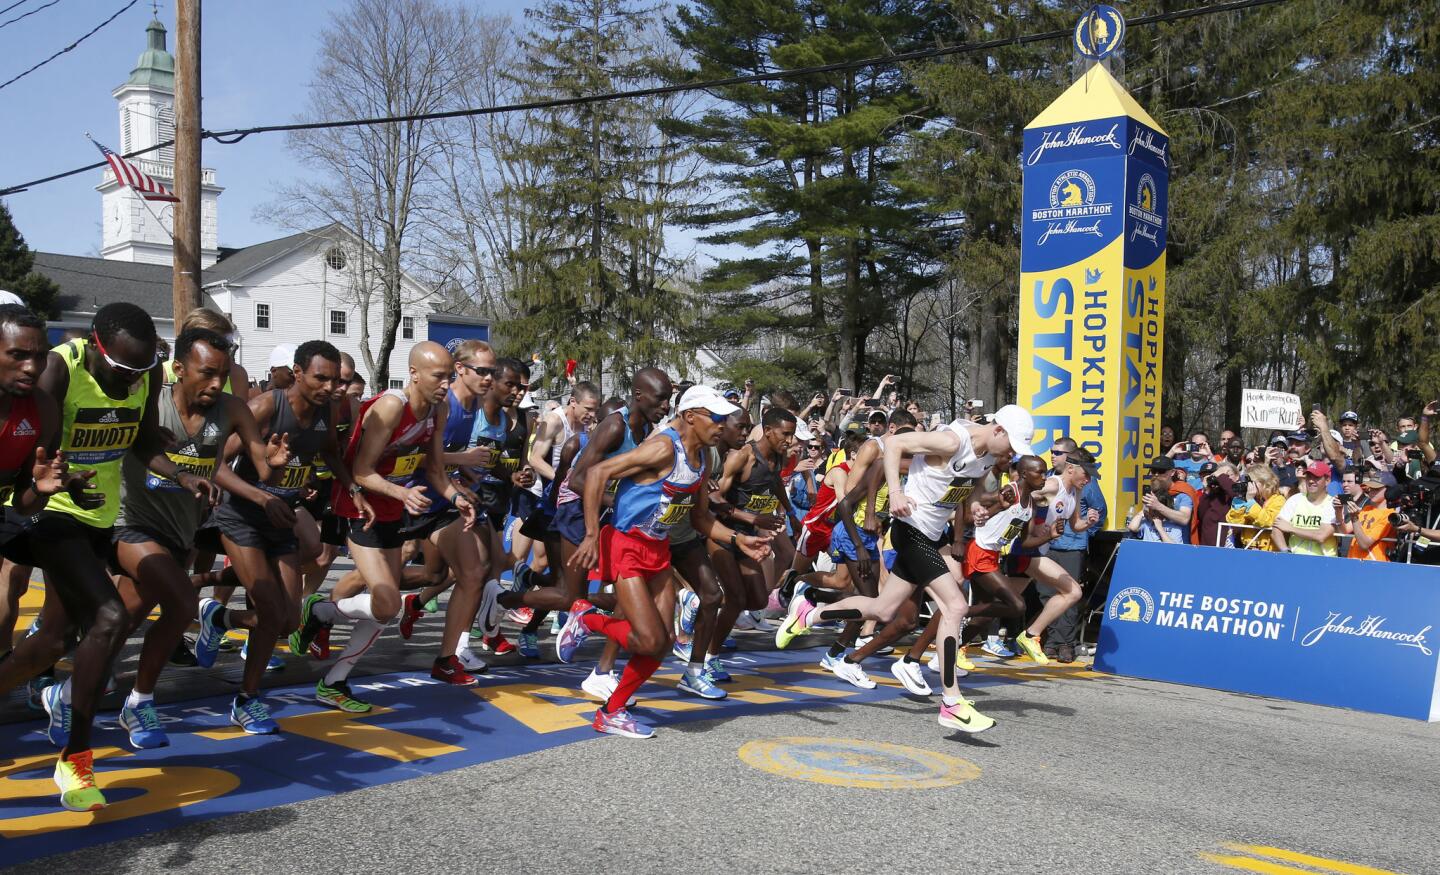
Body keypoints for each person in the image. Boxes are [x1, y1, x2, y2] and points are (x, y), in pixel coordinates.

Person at [25, 303, 215, 811]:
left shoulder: (146, 370)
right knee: (108, 618)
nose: (130, 379)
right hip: (53, 513)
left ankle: (54, 695)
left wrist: (180, 473)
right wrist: (61, 483)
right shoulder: (59, 369)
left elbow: (142, 440)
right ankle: (77, 758)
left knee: (52, 641)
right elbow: (34, 462)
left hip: (105, 516)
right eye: (122, 369)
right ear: (95, 344)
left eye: (141, 369)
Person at [777, 405, 1040, 733]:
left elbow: (966, 490)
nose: (1013, 453)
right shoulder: (951, 440)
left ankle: (809, 613)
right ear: (998, 430)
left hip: (930, 534)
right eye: (1012, 443)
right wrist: (897, 491)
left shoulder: (987, 455)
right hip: (911, 530)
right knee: (955, 605)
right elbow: (894, 446)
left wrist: (976, 506)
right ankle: (951, 702)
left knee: (883, 608)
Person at [558, 386, 771, 738]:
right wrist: (593, 535)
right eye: (715, 418)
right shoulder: (662, 446)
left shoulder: (702, 458)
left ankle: (612, 712)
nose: (722, 424)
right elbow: (595, 475)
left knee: (662, 644)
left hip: (658, 550)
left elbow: (701, 519)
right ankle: (588, 618)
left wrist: (739, 540)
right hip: (626, 545)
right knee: (649, 638)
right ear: (690, 417)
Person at [110, 327, 285, 749]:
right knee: (181, 603)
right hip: (129, 520)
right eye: (206, 373)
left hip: (178, 532)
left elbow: (263, 468)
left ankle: (68, 690)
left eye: (222, 375)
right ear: (178, 369)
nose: (214, 384)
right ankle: (138, 702)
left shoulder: (232, 409)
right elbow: (139, 449)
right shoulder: (152, 402)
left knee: (118, 622)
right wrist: (182, 474)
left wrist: (275, 465)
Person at [291, 342, 479, 712]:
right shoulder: (393, 406)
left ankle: (332, 670)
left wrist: (457, 498)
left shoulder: (438, 410)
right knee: (388, 602)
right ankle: (320, 623)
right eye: (438, 376)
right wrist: (400, 492)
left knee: (383, 606)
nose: (445, 384)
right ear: (414, 374)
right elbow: (361, 469)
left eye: (449, 376)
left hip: (394, 507)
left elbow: (437, 470)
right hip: (360, 505)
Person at [194, 340, 355, 730]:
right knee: (268, 609)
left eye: (335, 380)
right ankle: (248, 699)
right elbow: (212, 463)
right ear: (297, 373)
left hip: (280, 516)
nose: (330, 387)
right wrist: (262, 498)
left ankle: (218, 617)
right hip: (241, 515)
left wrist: (352, 488)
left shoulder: (329, 409)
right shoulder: (267, 405)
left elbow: (331, 453)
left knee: (286, 622)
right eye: (321, 378)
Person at [1040, 437, 1107, 663]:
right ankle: (1050, 642)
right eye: (1052, 451)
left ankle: (1066, 644)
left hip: (1071, 547)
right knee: (1047, 595)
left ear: (1069, 458)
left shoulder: (1082, 484)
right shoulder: (1049, 480)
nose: (1053, 455)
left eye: (1058, 453)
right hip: (1046, 546)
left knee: (1069, 596)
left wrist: (1087, 528)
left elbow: (1098, 510)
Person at [1271, 460, 1338, 557]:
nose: (1311, 481)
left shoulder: (1333, 504)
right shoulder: (1295, 500)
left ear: (1327, 480)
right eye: (1309, 477)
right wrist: (1285, 552)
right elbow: (1276, 528)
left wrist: (1291, 528)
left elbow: (1321, 536)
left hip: (1324, 562)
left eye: (1316, 477)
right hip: (1295, 559)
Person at [1127, 457, 1192, 543]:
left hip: (1176, 543)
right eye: (1153, 471)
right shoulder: (1153, 492)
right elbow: (1137, 523)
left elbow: (1184, 519)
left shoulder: (1182, 493)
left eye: (1161, 471)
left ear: (1172, 472)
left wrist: (1158, 506)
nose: (1156, 475)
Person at [1340, 472, 1393, 561]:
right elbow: (1345, 530)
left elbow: (1364, 544)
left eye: (1376, 489)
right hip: (1354, 560)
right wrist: (1338, 510)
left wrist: (1354, 518)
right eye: (1371, 488)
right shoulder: (1366, 509)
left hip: (1373, 564)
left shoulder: (1389, 515)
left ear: (1388, 490)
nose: (1371, 491)